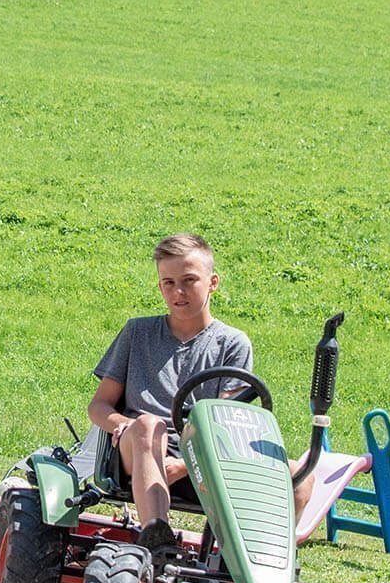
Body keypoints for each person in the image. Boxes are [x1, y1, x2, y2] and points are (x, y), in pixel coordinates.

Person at [87, 233, 314, 557]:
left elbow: (225, 426)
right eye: (168, 283)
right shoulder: (137, 332)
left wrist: (182, 465)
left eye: (189, 281)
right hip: (136, 452)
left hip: (205, 459)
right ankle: (156, 535)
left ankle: (262, 559)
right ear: (159, 286)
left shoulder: (232, 344)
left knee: (299, 476)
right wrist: (122, 423)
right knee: (150, 425)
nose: (177, 292)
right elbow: (98, 405)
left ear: (212, 283)